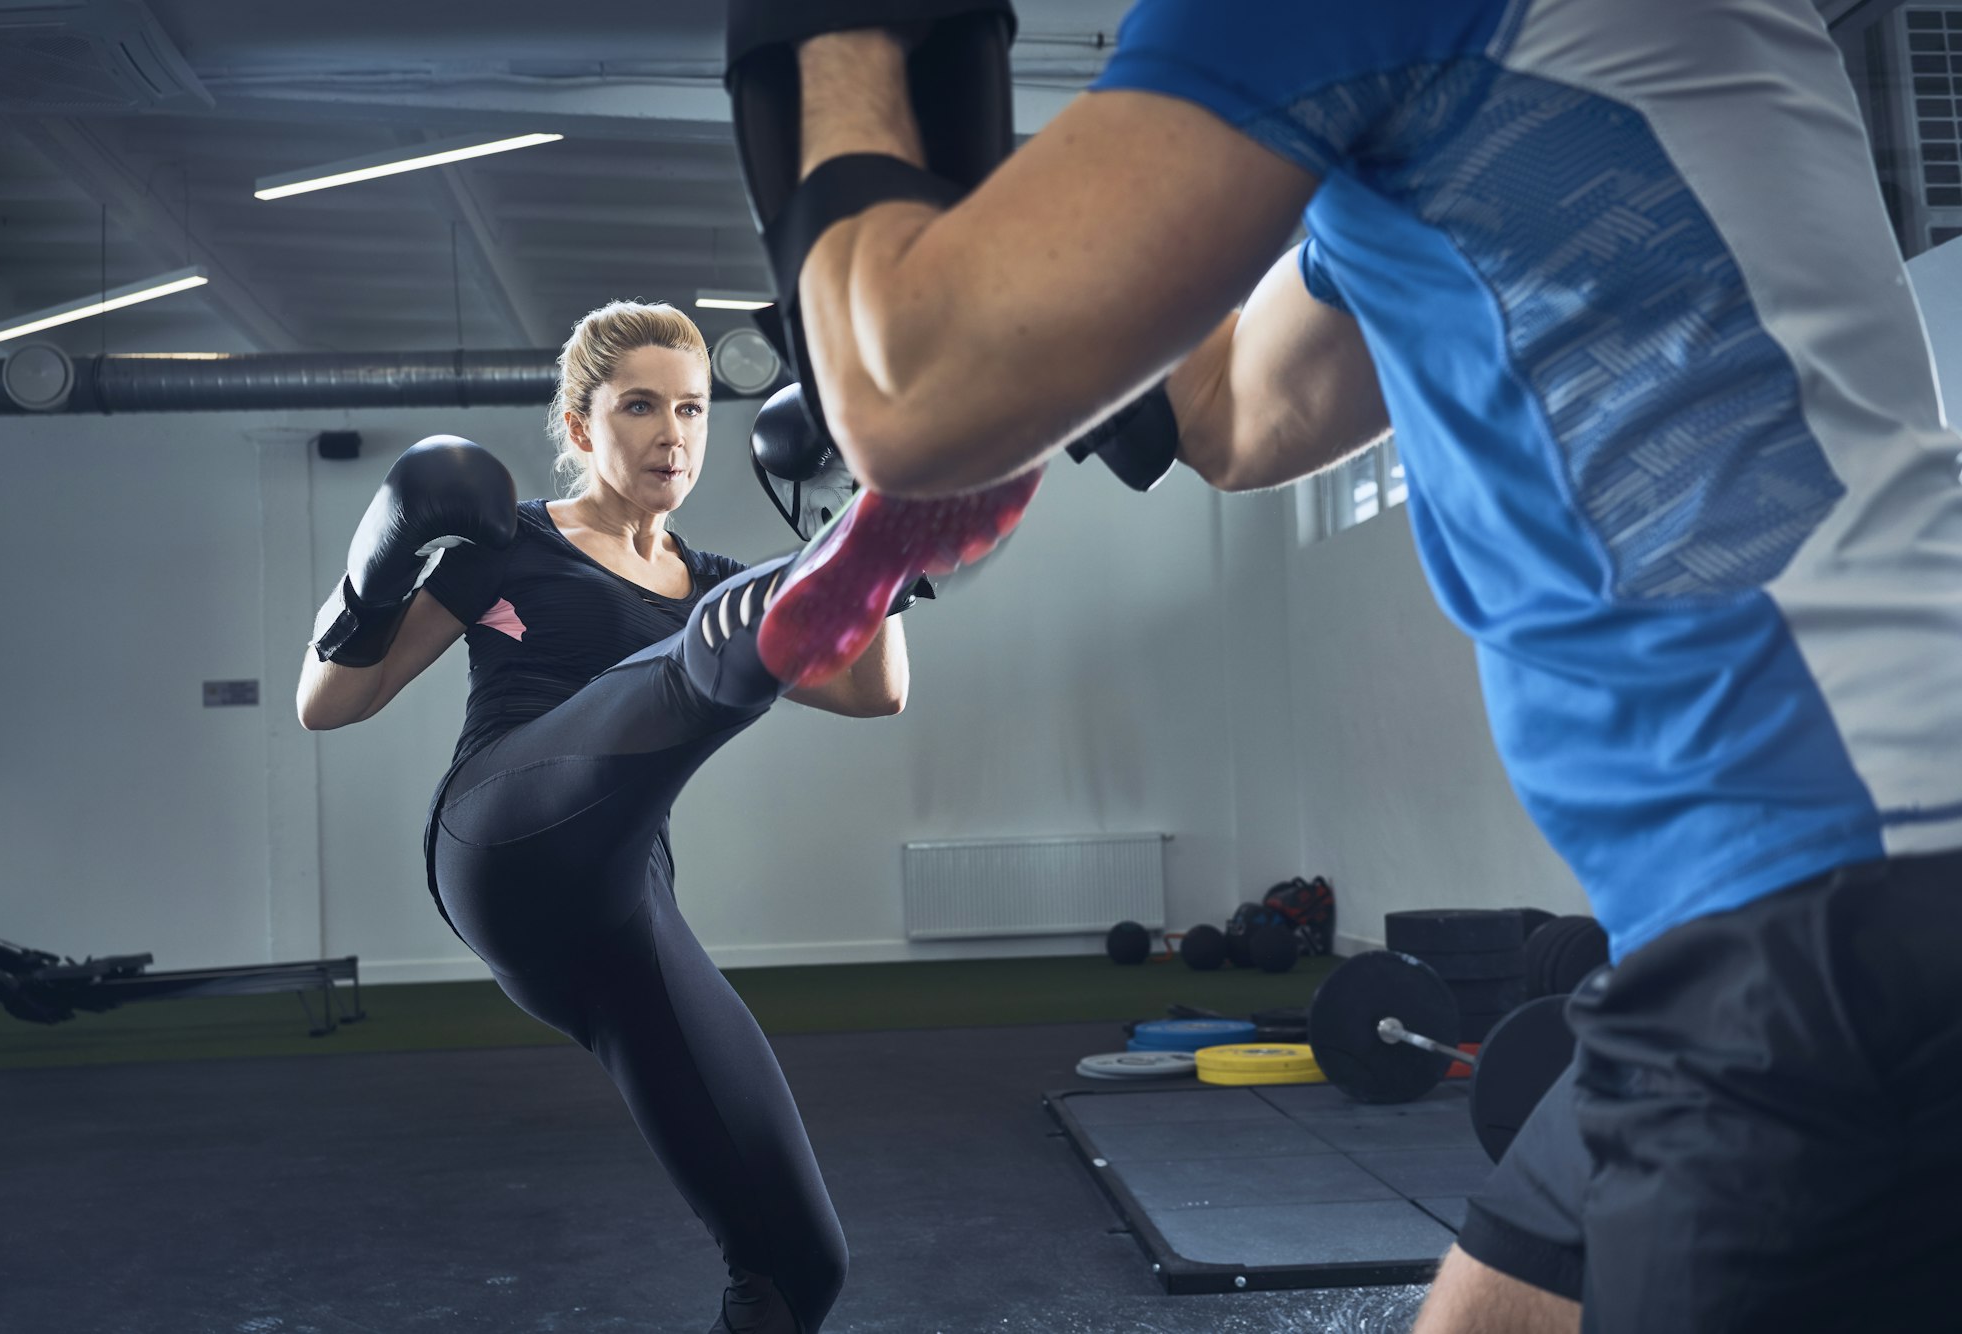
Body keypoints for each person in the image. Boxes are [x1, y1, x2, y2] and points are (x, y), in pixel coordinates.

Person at [725, 2, 1962, 1331]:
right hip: (1801, 884)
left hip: (1828, 902)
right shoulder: (1502, 74)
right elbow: (1239, 409)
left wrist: (829, 38)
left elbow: (906, 395)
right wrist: (1034, 340)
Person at [295, 300, 1004, 1334]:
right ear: (582, 427)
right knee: (702, 659)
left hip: (619, 908)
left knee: (799, 1263)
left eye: (691, 408)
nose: (672, 432)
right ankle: (851, 548)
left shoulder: (705, 583)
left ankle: (858, 541)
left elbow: (870, 693)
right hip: (500, 833)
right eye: (639, 405)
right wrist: (375, 565)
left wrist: (852, 525)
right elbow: (331, 703)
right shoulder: (510, 544)